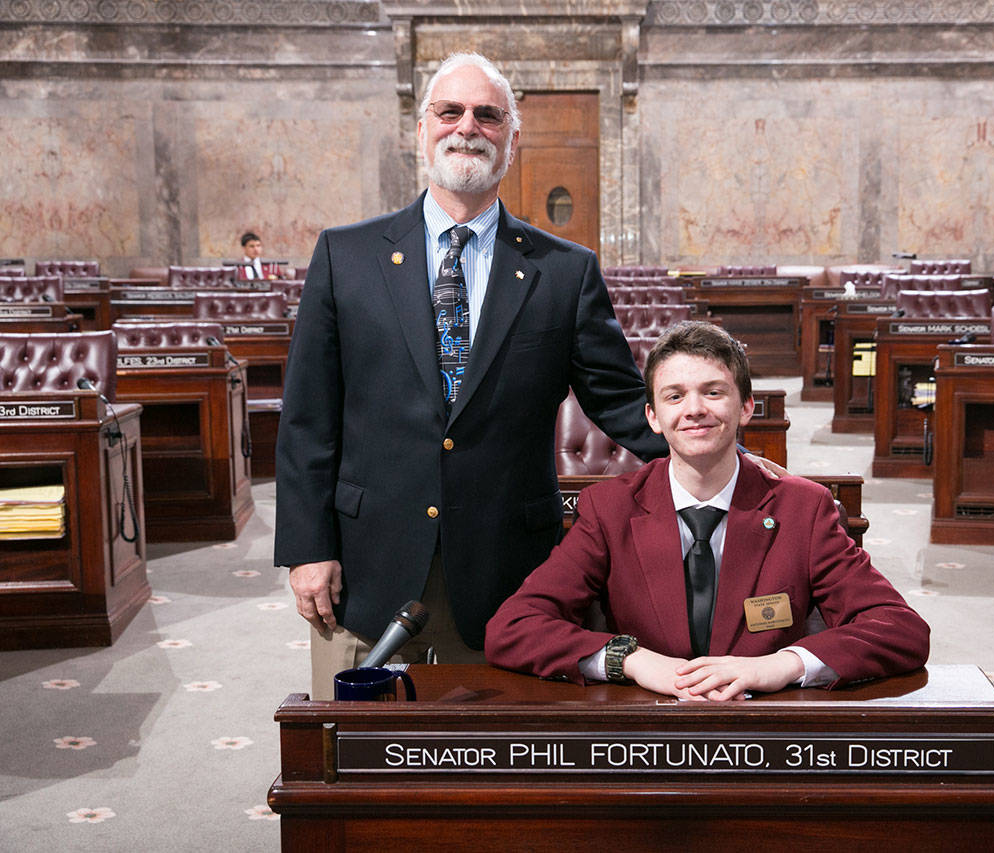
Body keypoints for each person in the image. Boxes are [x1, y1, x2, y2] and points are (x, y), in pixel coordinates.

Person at [273, 52, 673, 700]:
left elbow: (624, 403)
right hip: (366, 571)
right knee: (357, 775)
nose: (467, 127)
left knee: (495, 777)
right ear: (421, 131)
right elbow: (308, 418)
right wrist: (306, 547)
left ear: (512, 140)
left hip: (508, 576)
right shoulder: (344, 256)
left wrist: (725, 453)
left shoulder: (564, 271)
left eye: (488, 115)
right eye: (449, 112)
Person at [486, 322, 930, 700]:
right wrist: (630, 660)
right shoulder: (610, 508)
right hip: (643, 737)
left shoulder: (804, 508)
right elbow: (513, 627)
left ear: (746, 408)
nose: (694, 410)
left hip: (764, 738)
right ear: (654, 417)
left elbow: (901, 629)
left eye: (713, 392)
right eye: (674, 396)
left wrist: (782, 664)